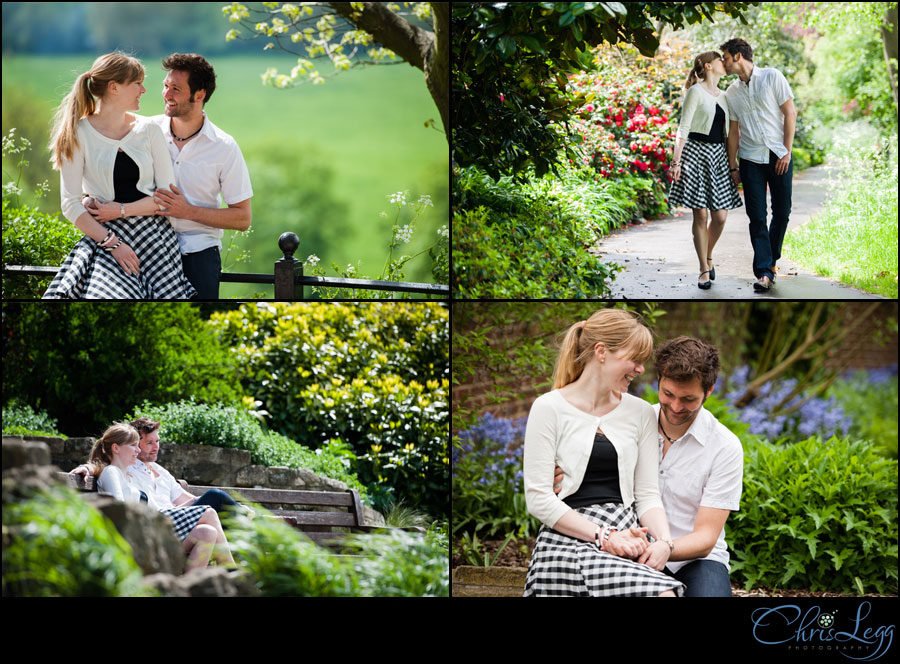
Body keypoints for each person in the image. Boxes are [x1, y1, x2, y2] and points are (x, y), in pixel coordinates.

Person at [554, 336, 744, 596]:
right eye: (668, 394)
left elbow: (706, 537)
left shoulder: (724, 447)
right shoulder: (629, 421)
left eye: (688, 399)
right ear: (659, 382)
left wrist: (667, 546)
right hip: (627, 547)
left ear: (708, 391)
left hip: (694, 560)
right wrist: (560, 474)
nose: (676, 407)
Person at [522, 308, 684, 597]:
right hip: (566, 537)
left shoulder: (641, 413)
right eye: (634, 359)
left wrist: (664, 542)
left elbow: (647, 494)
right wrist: (604, 536)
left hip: (626, 532)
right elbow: (538, 499)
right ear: (601, 351)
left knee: (664, 595)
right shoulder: (548, 408)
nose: (640, 369)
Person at [83, 53, 254, 300]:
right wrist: (88, 197)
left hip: (198, 253)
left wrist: (188, 211)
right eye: (165, 85)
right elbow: (105, 170)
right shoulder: (141, 130)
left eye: (176, 88)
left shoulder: (224, 147)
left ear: (200, 95)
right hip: (142, 245)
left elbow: (242, 218)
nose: (166, 93)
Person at [43, 52, 197, 299]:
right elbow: (70, 204)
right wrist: (113, 244)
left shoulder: (150, 129)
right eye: (137, 83)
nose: (144, 90)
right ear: (114, 87)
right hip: (104, 237)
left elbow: (165, 198)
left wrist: (120, 210)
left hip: (154, 241)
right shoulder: (78, 132)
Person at [87, 422, 236, 573]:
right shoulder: (111, 472)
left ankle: (188, 588)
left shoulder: (127, 476)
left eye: (138, 445)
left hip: (154, 528)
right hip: (142, 536)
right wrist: (88, 467)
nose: (137, 450)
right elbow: (118, 510)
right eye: (133, 445)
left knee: (207, 532)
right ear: (116, 448)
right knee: (209, 512)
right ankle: (232, 571)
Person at [721, 38, 797, 292]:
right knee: (756, 216)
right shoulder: (731, 93)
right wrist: (733, 166)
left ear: (738, 56)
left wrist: (786, 152)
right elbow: (733, 131)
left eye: (726, 58)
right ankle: (764, 271)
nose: (724, 62)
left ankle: (770, 261)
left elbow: (790, 113)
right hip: (750, 158)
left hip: (778, 154)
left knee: (782, 211)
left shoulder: (772, 77)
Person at [71, 417, 251, 522]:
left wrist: (233, 507)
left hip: (178, 517)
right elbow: (105, 465)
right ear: (135, 443)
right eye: (149, 443)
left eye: (157, 441)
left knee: (215, 506)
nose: (155, 447)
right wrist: (87, 467)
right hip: (161, 520)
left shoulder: (161, 471)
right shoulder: (129, 467)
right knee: (215, 497)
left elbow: (188, 500)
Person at [669, 52, 743, 290]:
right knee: (700, 215)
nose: (725, 62)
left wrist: (733, 164)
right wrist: (676, 162)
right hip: (695, 154)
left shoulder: (724, 96)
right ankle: (703, 268)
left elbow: (731, 131)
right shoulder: (695, 91)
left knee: (720, 216)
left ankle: (707, 255)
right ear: (709, 66)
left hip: (718, 156)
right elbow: (684, 128)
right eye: (721, 60)